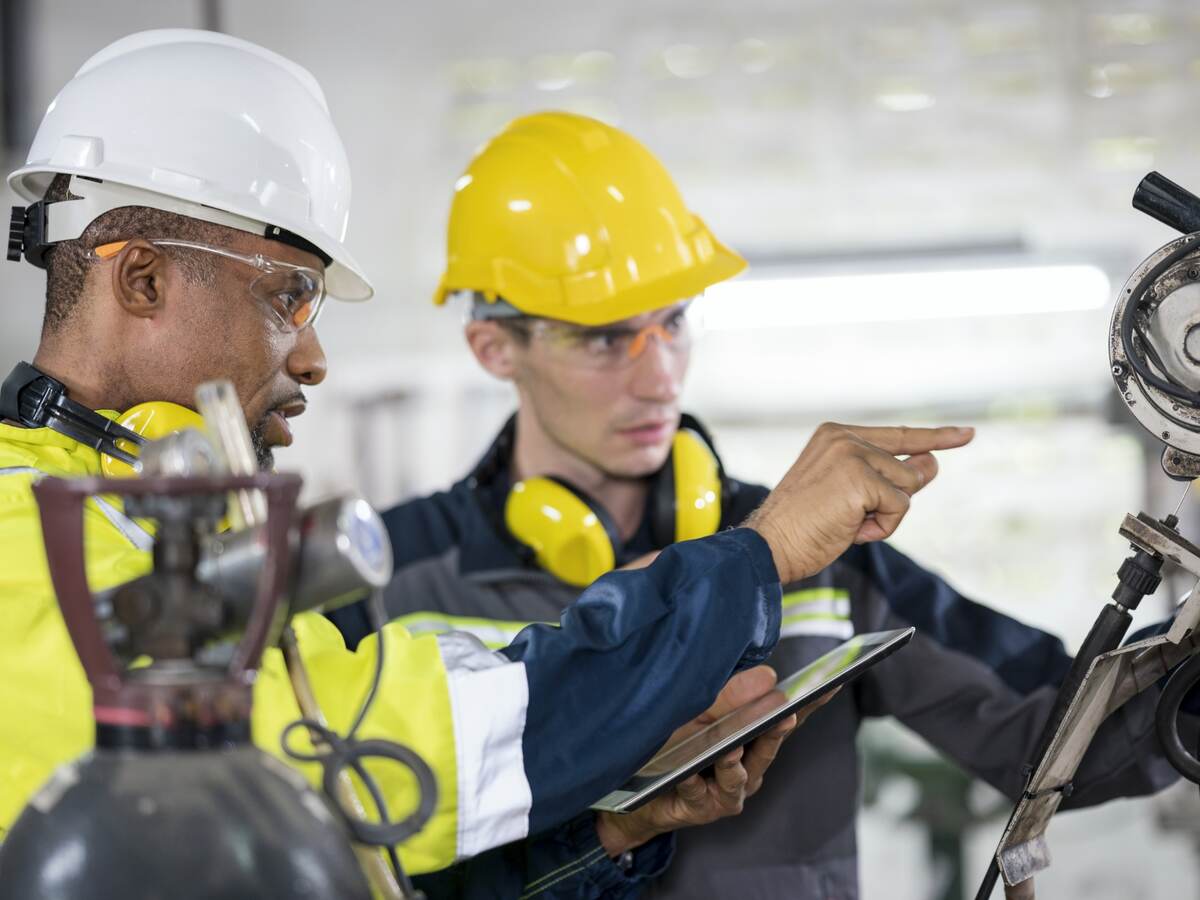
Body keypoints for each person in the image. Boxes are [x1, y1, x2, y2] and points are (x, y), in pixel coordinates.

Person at [0, 29, 967, 896]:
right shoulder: (21, 540)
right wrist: (757, 557)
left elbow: (358, 858)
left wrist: (608, 832)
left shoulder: (131, 522)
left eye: (671, 326)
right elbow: (393, 751)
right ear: (142, 277)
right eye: (289, 298)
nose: (313, 357)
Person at [334, 111, 1186, 899]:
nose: (658, 372)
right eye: (603, 338)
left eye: (671, 321)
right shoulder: (386, 584)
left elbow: (1052, 733)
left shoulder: (825, 553)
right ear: (494, 347)